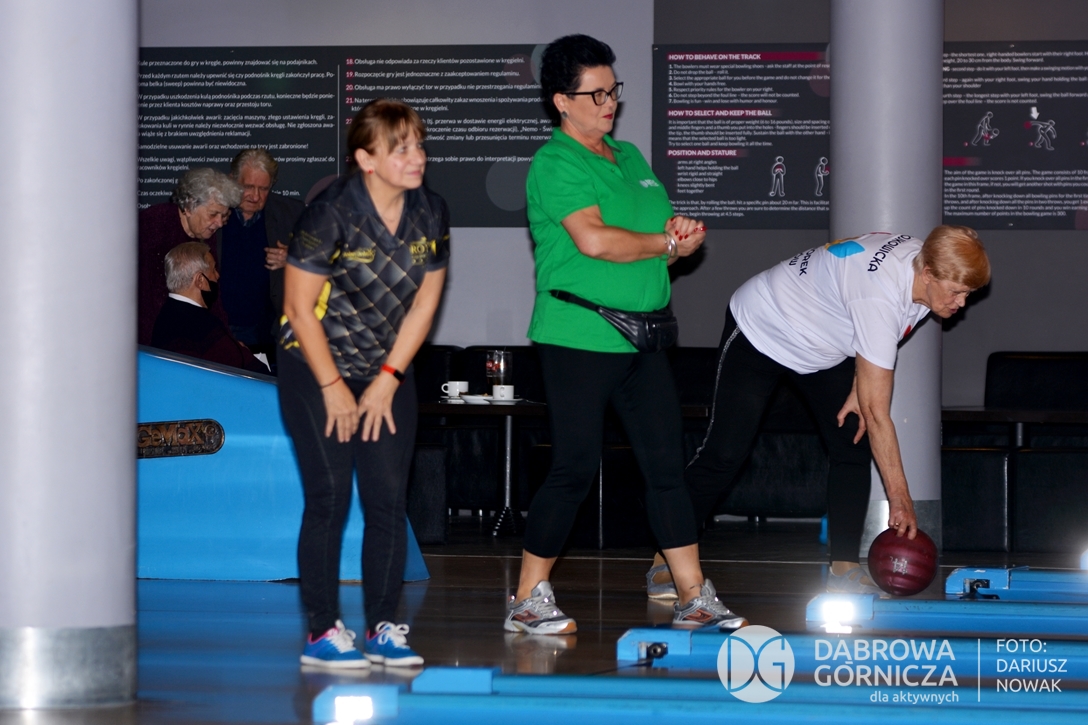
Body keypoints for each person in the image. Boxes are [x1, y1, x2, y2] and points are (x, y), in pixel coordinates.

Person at [505, 34, 746, 637]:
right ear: (562, 101)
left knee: (666, 467)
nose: (609, 101)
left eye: (613, 90)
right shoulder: (555, 163)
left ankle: (693, 595)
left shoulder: (630, 157)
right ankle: (527, 599)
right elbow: (593, 240)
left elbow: (657, 240)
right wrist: (665, 243)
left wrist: (680, 235)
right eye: (595, 93)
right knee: (574, 468)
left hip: (644, 339)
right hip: (579, 337)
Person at [663, 226, 990, 594]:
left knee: (852, 440)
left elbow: (879, 333)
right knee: (724, 454)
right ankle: (666, 556)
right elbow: (878, 410)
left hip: (822, 347)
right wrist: (900, 500)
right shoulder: (879, 295)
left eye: (968, 293)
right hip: (763, 326)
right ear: (927, 273)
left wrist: (859, 383)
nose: (961, 303)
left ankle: (844, 565)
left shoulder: (923, 262)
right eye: (956, 292)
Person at [278, 99, 448, 668]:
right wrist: (333, 387)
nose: (416, 157)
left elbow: (424, 304)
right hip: (313, 364)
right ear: (365, 159)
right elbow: (298, 310)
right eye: (400, 148)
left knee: (387, 498)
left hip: (384, 368)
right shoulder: (330, 213)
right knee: (329, 496)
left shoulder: (431, 211)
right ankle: (321, 632)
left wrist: (388, 379)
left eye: (419, 144)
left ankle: (382, 628)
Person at [214, 149, 305, 357]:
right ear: (232, 180)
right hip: (216, 329)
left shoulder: (291, 213)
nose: (255, 196)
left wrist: (293, 258)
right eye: (248, 187)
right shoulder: (212, 209)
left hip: (268, 334)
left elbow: (324, 259)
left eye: (263, 189)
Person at [139, 168, 242, 345]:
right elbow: (146, 298)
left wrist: (228, 341)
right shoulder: (153, 224)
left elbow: (212, 293)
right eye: (213, 214)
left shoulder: (204, 234)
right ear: (188, 207)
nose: (219, 223)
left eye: (223, 215)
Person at [150, 242, 269, 373]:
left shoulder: (165, 315)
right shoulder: (203, 326)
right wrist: (239, 350)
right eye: (213, 270)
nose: (217, 275)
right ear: (200, 280)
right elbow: (244, 368)